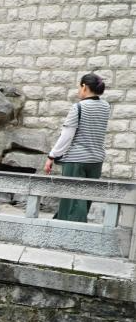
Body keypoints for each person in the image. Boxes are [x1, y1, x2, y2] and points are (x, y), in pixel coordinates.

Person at [44, 73, 110, 222]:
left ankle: (71, 231)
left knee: (72, 203)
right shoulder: (106, 107)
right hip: (96, 161)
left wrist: (51, 156)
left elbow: (66, 136)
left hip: (76, 161)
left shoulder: (78, 107)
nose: (78, 91)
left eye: (79, 87)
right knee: (84, 201)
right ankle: (71, 228)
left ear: (84, 87)